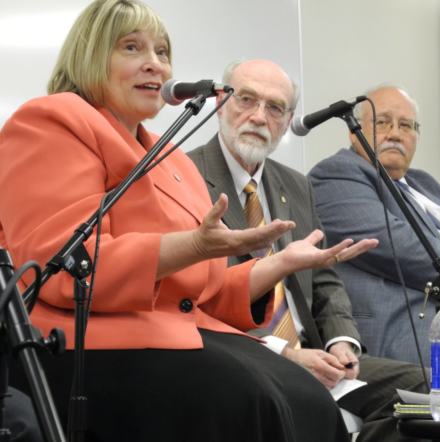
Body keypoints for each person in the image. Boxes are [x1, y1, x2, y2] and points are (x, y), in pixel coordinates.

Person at [0, 1, 380, 441]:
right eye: (131, 47)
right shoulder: (53, 121)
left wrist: (277, 264)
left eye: (163, 53)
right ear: (89, 55)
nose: (155, 65)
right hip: (85, 342)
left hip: (175, 332)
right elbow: (68, 267)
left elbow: (202, 293)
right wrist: (195, 246)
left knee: (307, 398)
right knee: (251, 400)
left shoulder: (168, 157)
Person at [188, 59, 429, 442]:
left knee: (420, 390)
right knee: (295, 395)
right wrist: (284, 354)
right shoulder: (183, 175)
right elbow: (193, 299)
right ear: (220, 103)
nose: (259, 116)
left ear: (288, 121)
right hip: (245, 355)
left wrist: (342, 343)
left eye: (274, 108)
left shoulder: (295, 184)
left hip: (319, 355)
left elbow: (324, 278)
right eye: (246, 99)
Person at [308, 85, 440, 365]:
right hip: (404, 332)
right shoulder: (335, 174)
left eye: (406, 125)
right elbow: (397, 243)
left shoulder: (423, 183)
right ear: (354, 130)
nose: (395, 133)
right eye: (383, 122)